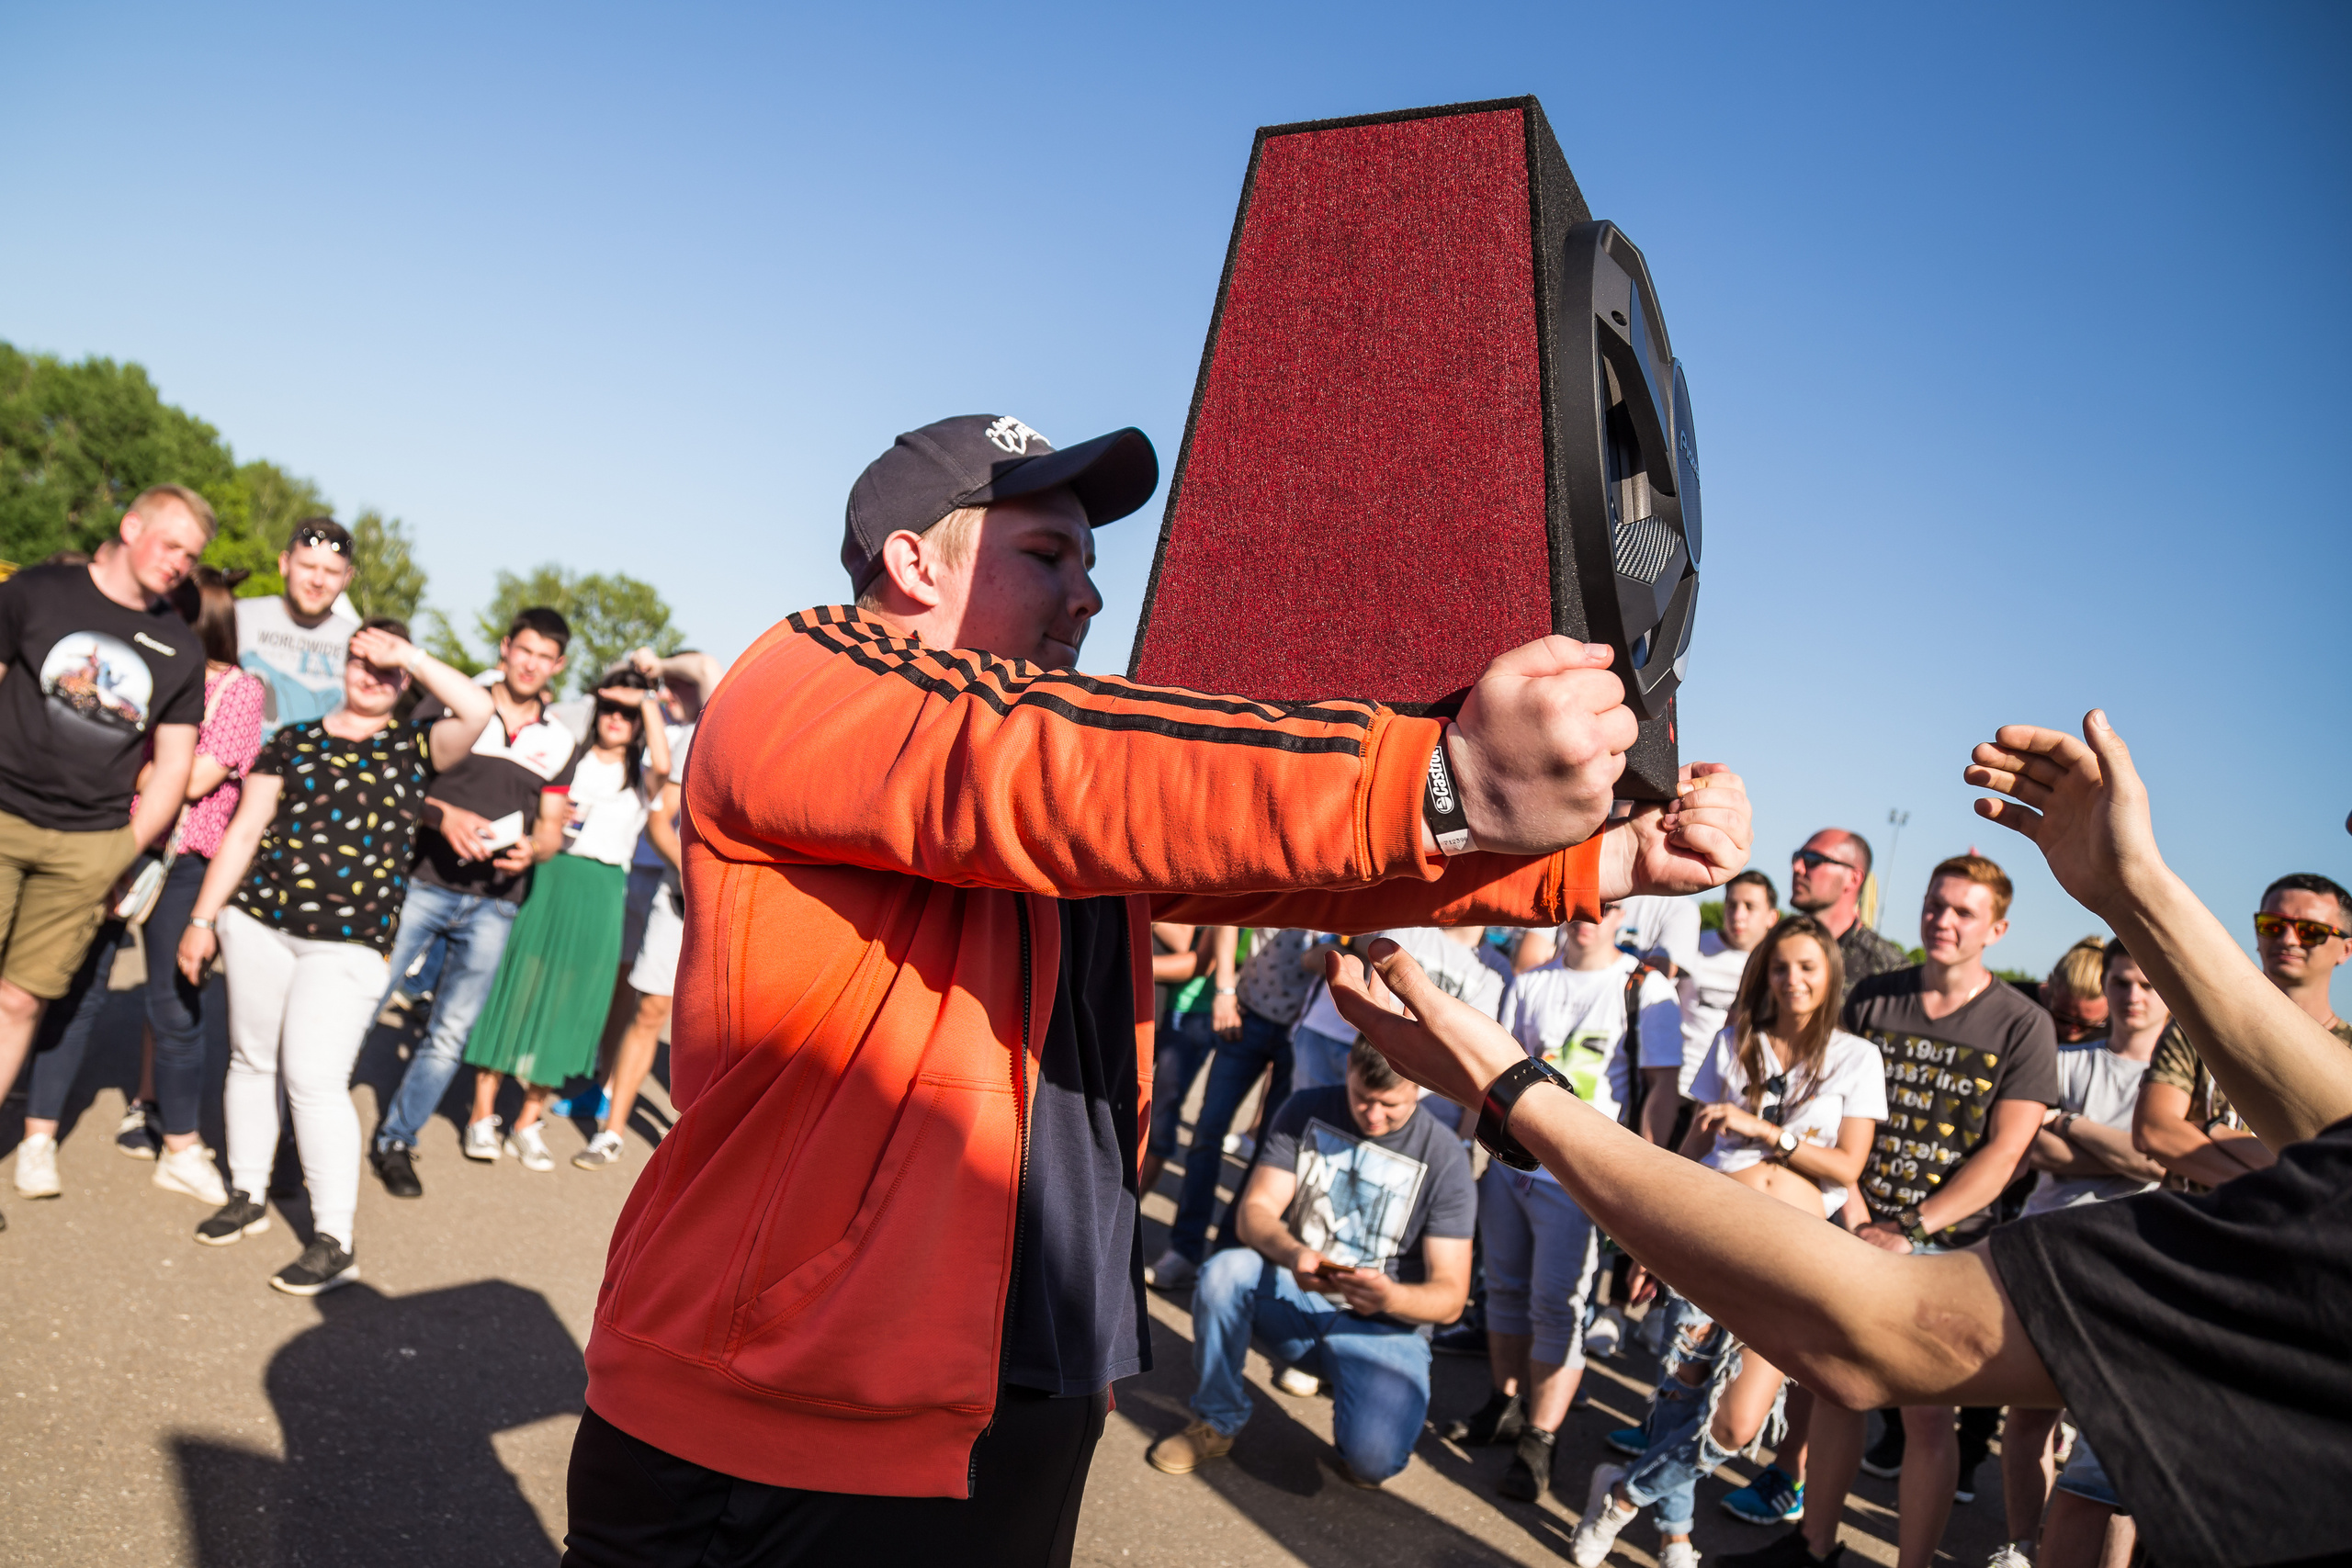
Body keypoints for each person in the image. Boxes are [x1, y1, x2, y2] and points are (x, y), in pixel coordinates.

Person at [560, 413, 1751, 1565]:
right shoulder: (807, 678)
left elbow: (1284, 877)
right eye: (1045, 554)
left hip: (1030, 1369)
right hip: (780, 1414)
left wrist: (1598, 863)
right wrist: (1440, 775)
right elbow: (1049, 768)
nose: (1087, 592)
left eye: (1091, 560)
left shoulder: (1037, 764)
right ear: (913, 562)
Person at [1322, 706, 2352, 1568]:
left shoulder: (2028, 1030)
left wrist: (1513, 1092)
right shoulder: (1881, 1001)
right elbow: (2331, 1118)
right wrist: (2138, 889)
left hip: (1927, 1246)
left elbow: (1882, 1327)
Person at [1741, 853, 2055, 1568]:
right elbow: (1824, 1110)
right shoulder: (1873, 997)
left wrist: (1910, 1229)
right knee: (1835, 1388)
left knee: (1926, 1417)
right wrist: (1856, 1214)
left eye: (1964, 912)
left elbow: (2005, 1154)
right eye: (1935, 904)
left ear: (1997, 928)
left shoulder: (2023, 1023)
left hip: (1953, 1247)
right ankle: (1811, 1546)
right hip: (1852, 1222)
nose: (1943, 920)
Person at [175, 622, 492, 1293]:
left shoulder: (415, 743)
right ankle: (249, 1194)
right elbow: (245, 830)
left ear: (405, 680)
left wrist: (405, 652)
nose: (371, 675)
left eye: (387, 670)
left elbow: (477, 708)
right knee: (251, 1058)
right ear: (343, 663)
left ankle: (335, 1238)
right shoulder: (292, 739)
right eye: (361, 660)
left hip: (348, 942)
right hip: (258, 922)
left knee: (314, 1078)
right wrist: (204, 917)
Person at [1571, 915, 1886, 1568]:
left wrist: (1767, 1132)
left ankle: (1622, 1495)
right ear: (1764, 974)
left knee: (1738, 1424)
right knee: (1680, 1394)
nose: (1793, 979)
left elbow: (1848, 1167)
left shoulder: (1858, 1057)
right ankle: (1676, 1536)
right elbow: (1692, 1149)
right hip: (1709, 1236)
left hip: (1790, 1258)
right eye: (1780, 967)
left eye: (1807, 967)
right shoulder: (1736, 1040)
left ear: (1830, 976)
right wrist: (1649, 1243)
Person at [11, 566, 266, 1207]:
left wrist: (121, 752)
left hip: (184, 857)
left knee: (176, 1003)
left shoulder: (239, 689)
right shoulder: (142, 669)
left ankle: (180, 1146)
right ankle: (38, 1138)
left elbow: (198, 777)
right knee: (73, 990)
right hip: (108, 841)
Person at [0, 488, 210, 1230]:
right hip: (3, 815)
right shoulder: (36, 591)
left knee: (22, 998)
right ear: (131, 528)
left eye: (192, 557)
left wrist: (119, 851)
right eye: (172, 545)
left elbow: (178, 766)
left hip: (88, 844)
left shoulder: (181, 648)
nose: (181, 564)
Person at [1147, 1038, 1475, 1488]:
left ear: (1420, 1088)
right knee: (1225, 1272)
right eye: (1362, 1098)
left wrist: (1390, 1295)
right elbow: (1255, 1211)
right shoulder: (1307, 1108)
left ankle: (1358, 1404)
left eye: (1389, 1105)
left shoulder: (1445, 1157)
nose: (1373, 1115)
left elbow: (1452, 1297)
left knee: (1372, 1464)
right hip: (1297, 1288)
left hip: (1384, 1324)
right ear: (1348, 1068)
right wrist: (1294, 1253)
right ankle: (1216, 1418)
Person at [1453, 899, 1684, 1503]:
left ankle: (1541, 1436)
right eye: (1581, 904)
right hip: (1512, 1167)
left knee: (1558, 1304)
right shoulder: (1530, 984)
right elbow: (1500, 1074)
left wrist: (1645, 1173)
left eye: (1604, 907)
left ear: (1622, 917)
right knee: (1502, 1287)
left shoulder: (1643, 985)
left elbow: (1660, 1088)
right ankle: (1503, 1402)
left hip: (1581, 1178)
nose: (1589, 914)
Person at [368, 608, 579, 1198]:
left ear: (557, 666)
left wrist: (534, 849)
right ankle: (305, 1124)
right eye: (524, 650)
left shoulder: (560, 739)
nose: (532, 664)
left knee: (449, 1033)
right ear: (506, 648)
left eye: (546, 657)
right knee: (365, 1000)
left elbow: (553, 829)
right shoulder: (452, 701)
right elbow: (399, 782)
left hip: (496, 904)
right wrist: (441, 815)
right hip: (423, 883)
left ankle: (397, 1141)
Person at [1991, 937, 2170, 1568]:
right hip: (2048, 1256)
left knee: (2112, 1439)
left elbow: (2168, 1154)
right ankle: (2019, 1543)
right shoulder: (2066, 1061)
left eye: (2147, 983)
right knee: (2029, 1417)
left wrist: (2071, 1124)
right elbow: (2030, 1147)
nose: (2133, 995)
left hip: (2135, 1268)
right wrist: (2132, 1152)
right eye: (2122, 981)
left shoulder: (2180, 1082)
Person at [461, 671, 671, 1170]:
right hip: (551, 879)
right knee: (516, 992)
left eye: (627, 713)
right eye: (609, 709)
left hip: (602, 893)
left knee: (572, 1007)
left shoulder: (642, 776)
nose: (616, 719)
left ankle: (527, 1121)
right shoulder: (565, 757)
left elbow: (665, 760)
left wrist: (641, 700)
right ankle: (481, 1115)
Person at [574, 648, 722, 1170]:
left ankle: (703, 1147)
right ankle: (610, 1127)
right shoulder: (710, 730)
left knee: (718, 1028)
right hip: (672, 892)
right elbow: (662, 823)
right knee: (648, 1007)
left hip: (736, 911)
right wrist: (693, 877)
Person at [2133, 872, 2351, 1189]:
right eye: (2272, 926)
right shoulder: (2197, 1026)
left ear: (2346, 950)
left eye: (2310, 931)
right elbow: (2154, 1131)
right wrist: (2289, 1189)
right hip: (2193, 1231)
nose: (2288, 939)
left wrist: (2210, 1130)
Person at [1147, 925, 1321, 1291]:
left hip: (1302, 1034)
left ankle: (1225, 1259)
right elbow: (1227, 922)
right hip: (1248, 1013)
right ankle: (1184, 1252)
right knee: (1207, 1133)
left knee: (1270, 1153)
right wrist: (1224, 989)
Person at [1137, 923, 1238, 1199]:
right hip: (1162, 1005)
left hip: (1194, 1013)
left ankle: (1133, 1207)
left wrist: (1131, 960)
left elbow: (1196, 959)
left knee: (1160, 1117)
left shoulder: (1225, 903)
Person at [234, 516, 357, 737]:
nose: (318, 581)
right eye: (308, 566)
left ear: (347, 578)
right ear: (284, 564)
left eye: (331, 572)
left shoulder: (360, 641)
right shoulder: (238, 616)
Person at [1789, 829, 1908, 997]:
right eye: (1797, 857)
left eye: (1812, 860)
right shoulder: (1775, 945)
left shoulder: (1888, 971)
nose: (1797, 867)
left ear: (1853, 879)